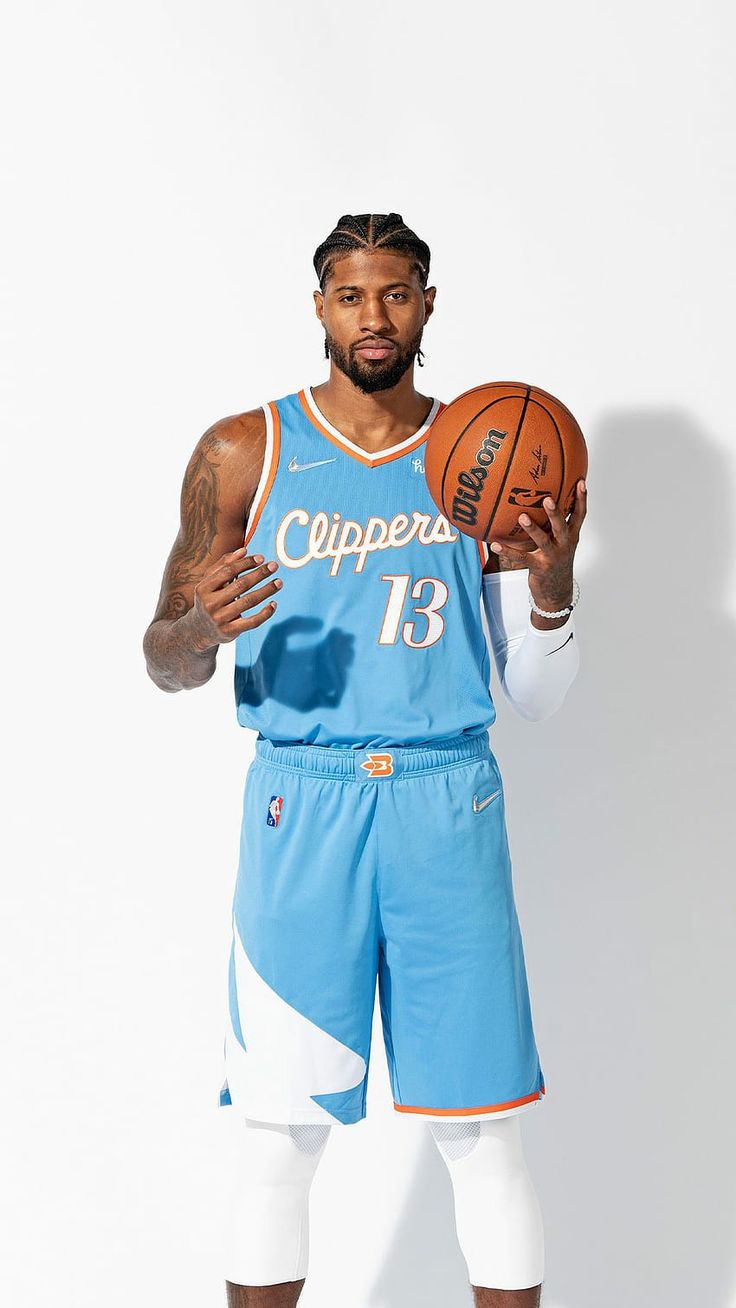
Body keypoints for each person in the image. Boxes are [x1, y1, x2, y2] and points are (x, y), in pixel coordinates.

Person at [142, 213, 586, 1308]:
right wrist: (195, 628)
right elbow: (162, 663)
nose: (373, 317)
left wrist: (552, 587)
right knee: (277, 1140)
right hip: (304, 804)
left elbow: (531, 696)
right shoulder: (244, 450)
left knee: (483, 1139)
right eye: (351, 295)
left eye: (395, 294)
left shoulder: (479, 454)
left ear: (428, 304)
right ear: (319, 308)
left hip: (449, 800)